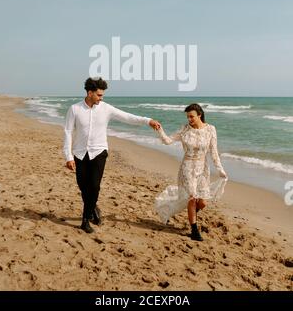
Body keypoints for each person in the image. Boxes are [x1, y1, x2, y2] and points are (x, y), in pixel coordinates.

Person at [63, 77, 161, 233]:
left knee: (94, 187)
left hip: (99, 152)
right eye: (99, 95)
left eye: (102, 95)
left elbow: (128, 117)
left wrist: (148, 121)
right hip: (80, 153)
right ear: (90, 93)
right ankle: (93, 208)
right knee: (83, 187)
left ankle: (85, 220)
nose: (101, 98)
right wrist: (68, 156)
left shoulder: (106, 108)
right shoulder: (75, 109)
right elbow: (68, 132)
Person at [154, 103, 228, 241]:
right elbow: (167, 141)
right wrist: (160, 130)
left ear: (199, 115)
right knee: (192, 198)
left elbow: (214, 152)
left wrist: (220, 169)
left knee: (203, 202)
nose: (189, 119)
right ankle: (194, 230)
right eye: (188, 117)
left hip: (202, 168)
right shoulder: (185, 130)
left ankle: (191, 214)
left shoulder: (211, 129)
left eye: (192, 116)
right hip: (187, 168)